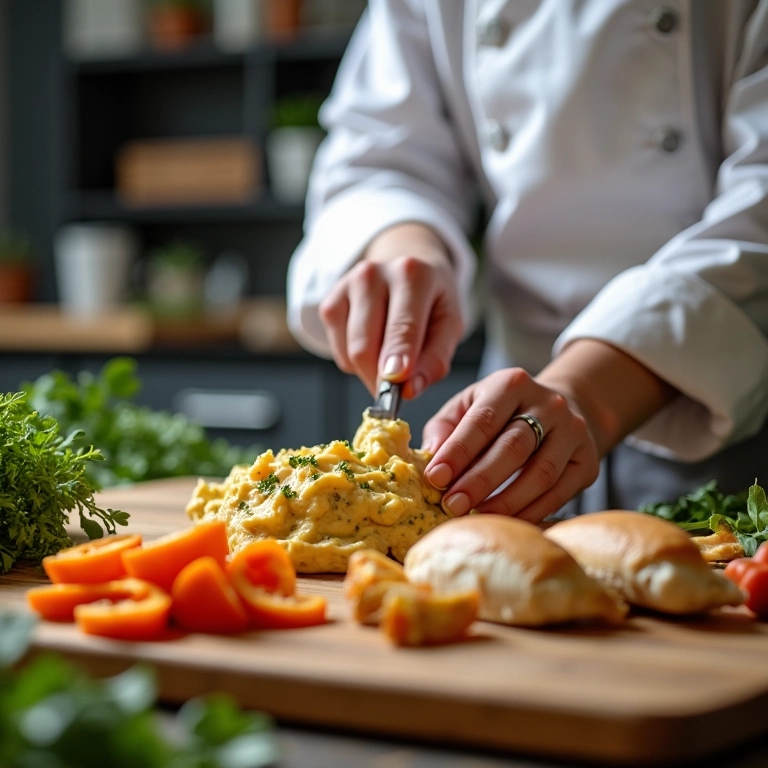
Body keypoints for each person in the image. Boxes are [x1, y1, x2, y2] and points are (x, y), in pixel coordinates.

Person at [286, 1, 768, 524]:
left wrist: (586, 393)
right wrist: (400, 245)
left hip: (711, 410)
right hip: (504, 419)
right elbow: (378, 149)